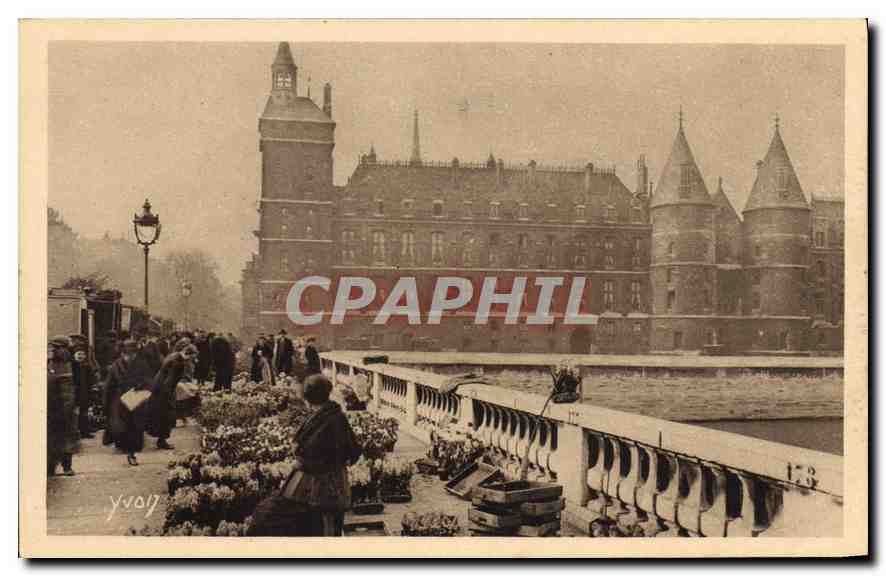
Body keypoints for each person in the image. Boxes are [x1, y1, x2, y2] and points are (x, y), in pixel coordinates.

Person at [248, 374, 362, 536]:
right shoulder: (333, 414)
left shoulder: (326, 418)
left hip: (319, 485)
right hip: (331, 481)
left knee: (321, 523)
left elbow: (319, 453)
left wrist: (301, 463)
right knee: (326, 523)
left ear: (308, 397)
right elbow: (353, 451)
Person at [103, 339, 152, 466]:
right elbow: (109, 386)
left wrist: (141, 387)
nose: (130, 357)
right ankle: (123, 446)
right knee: (121, 426)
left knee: (135, 428)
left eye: (133, 354)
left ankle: (132, 454)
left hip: (136, 399)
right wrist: (106, 403)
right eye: (127, 354)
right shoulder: (115, 366)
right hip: (119, 401)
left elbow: (148, 381)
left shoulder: (142, 364)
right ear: (122, 353)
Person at [147, 339, 197, 450]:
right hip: (164, 390)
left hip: (158, 387)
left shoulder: (173, 355)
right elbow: (170, 381)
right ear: (189, 354)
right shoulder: (178, 363)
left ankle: (161, 439)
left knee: (159, 414)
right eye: (192, 357)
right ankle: (162, 441)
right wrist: (169, 396)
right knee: (167, 415)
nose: (191, 361)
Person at [47, 337, 80, 476]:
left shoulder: (64, 365)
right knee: (53, 439)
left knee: (65, 437)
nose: (50, 350)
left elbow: (68, 392)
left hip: (62, 409)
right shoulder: (51, 364)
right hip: (52, 408)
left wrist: (66, 409)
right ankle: (50, 467)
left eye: (53, 347)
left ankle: (66, 466)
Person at [69, 334, 96, 439]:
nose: (80, 357)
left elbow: (91, 380)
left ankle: (85, 431)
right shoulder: (72, 366)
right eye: (78, 355)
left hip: (84, 392)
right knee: (74, 413)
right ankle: (75, 432)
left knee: (84, 412)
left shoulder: (86, 367)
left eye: (82, 355)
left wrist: (92, 388)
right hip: (75, 392)